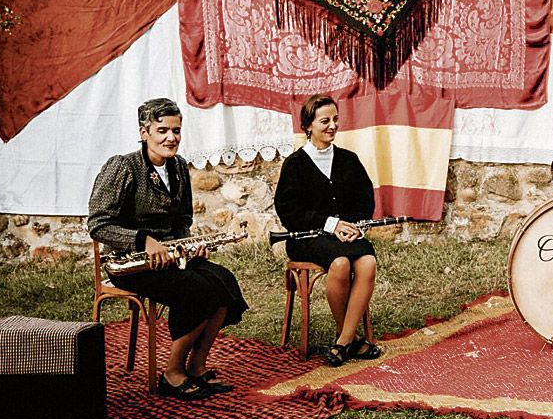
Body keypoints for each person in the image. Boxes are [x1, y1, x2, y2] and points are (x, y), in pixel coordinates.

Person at [88, 98, 248, 400]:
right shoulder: (122, 166)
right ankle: (172, 373)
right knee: (197, 290)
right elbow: (97, 223)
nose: (171, 137)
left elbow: (182, 221)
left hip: (172, 257)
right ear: (144, 132)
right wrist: (143, 241)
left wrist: (191, 246)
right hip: (129, 262)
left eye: (176, 130)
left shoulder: (177, 166)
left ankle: (197, 367)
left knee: (224, 282)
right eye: (162, 130)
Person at [274, 94, 382, 366]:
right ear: (308, 126)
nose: (332, 125)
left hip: (347, 235)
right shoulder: (295, 164)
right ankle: (353, 341)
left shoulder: (349, 160)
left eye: (335, 119)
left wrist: (356, 227)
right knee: (341, 264)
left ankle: (344, 340)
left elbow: (364, 201)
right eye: (325, 121)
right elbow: (290, 212)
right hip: (308, 237)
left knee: (368, 261)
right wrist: (331, 224)